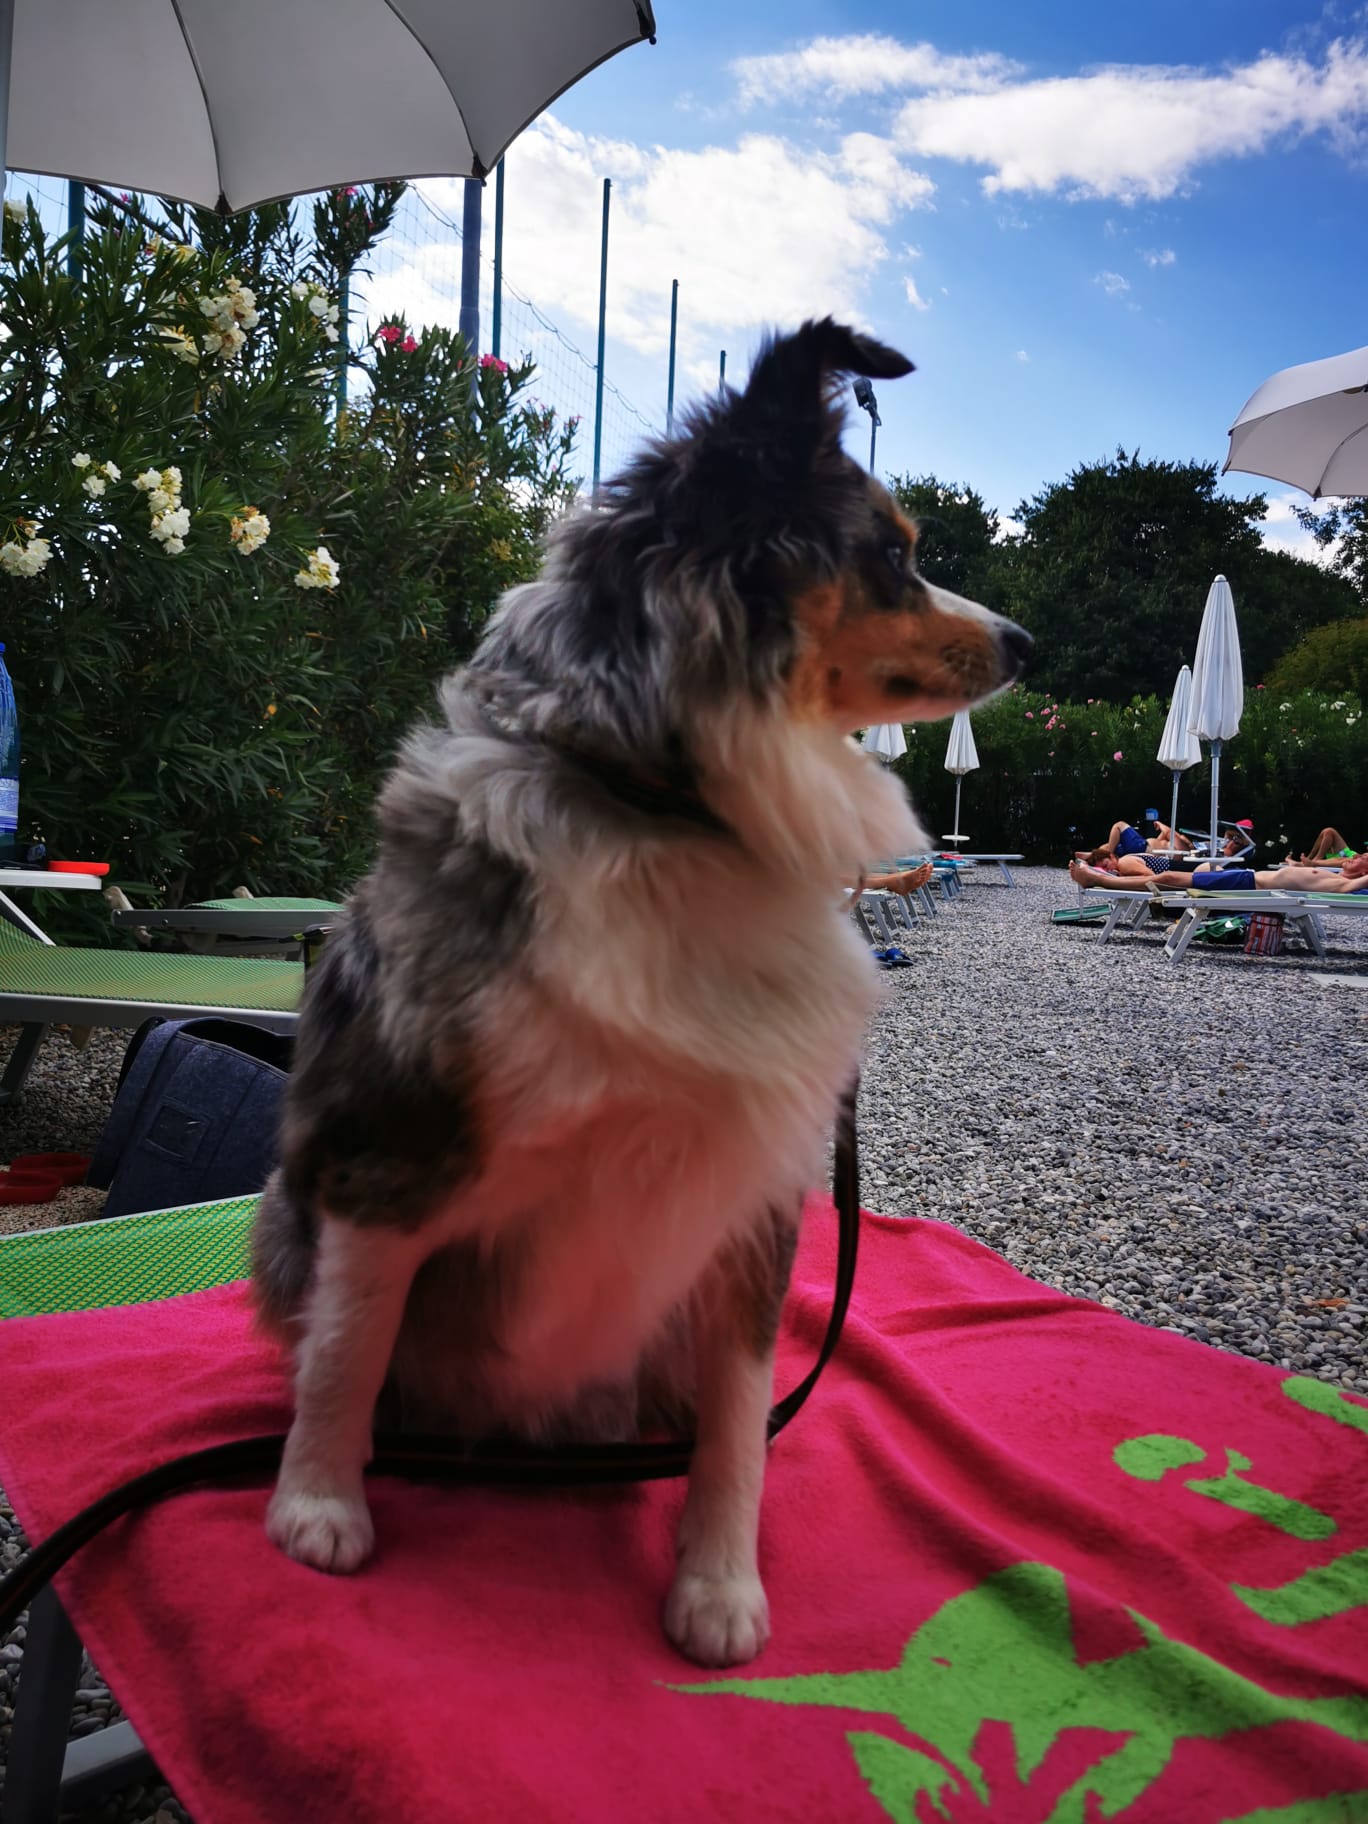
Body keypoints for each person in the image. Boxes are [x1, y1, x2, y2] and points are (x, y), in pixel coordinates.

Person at [1190, 851, 1368, 895]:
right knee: (1204, 867)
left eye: (1363, 857)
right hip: (1250, 876)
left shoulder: (1345, 884)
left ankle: (1161, 894)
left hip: (1252, 884)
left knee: (1171, 877)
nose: (1357, 855)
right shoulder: (1336, 875)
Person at [1291, 827, 1360, 865]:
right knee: (1326, 831)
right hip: (1345, 854)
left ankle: (1315, 859)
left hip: (1347, 857)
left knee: (1329, 831)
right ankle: (1310, 858)